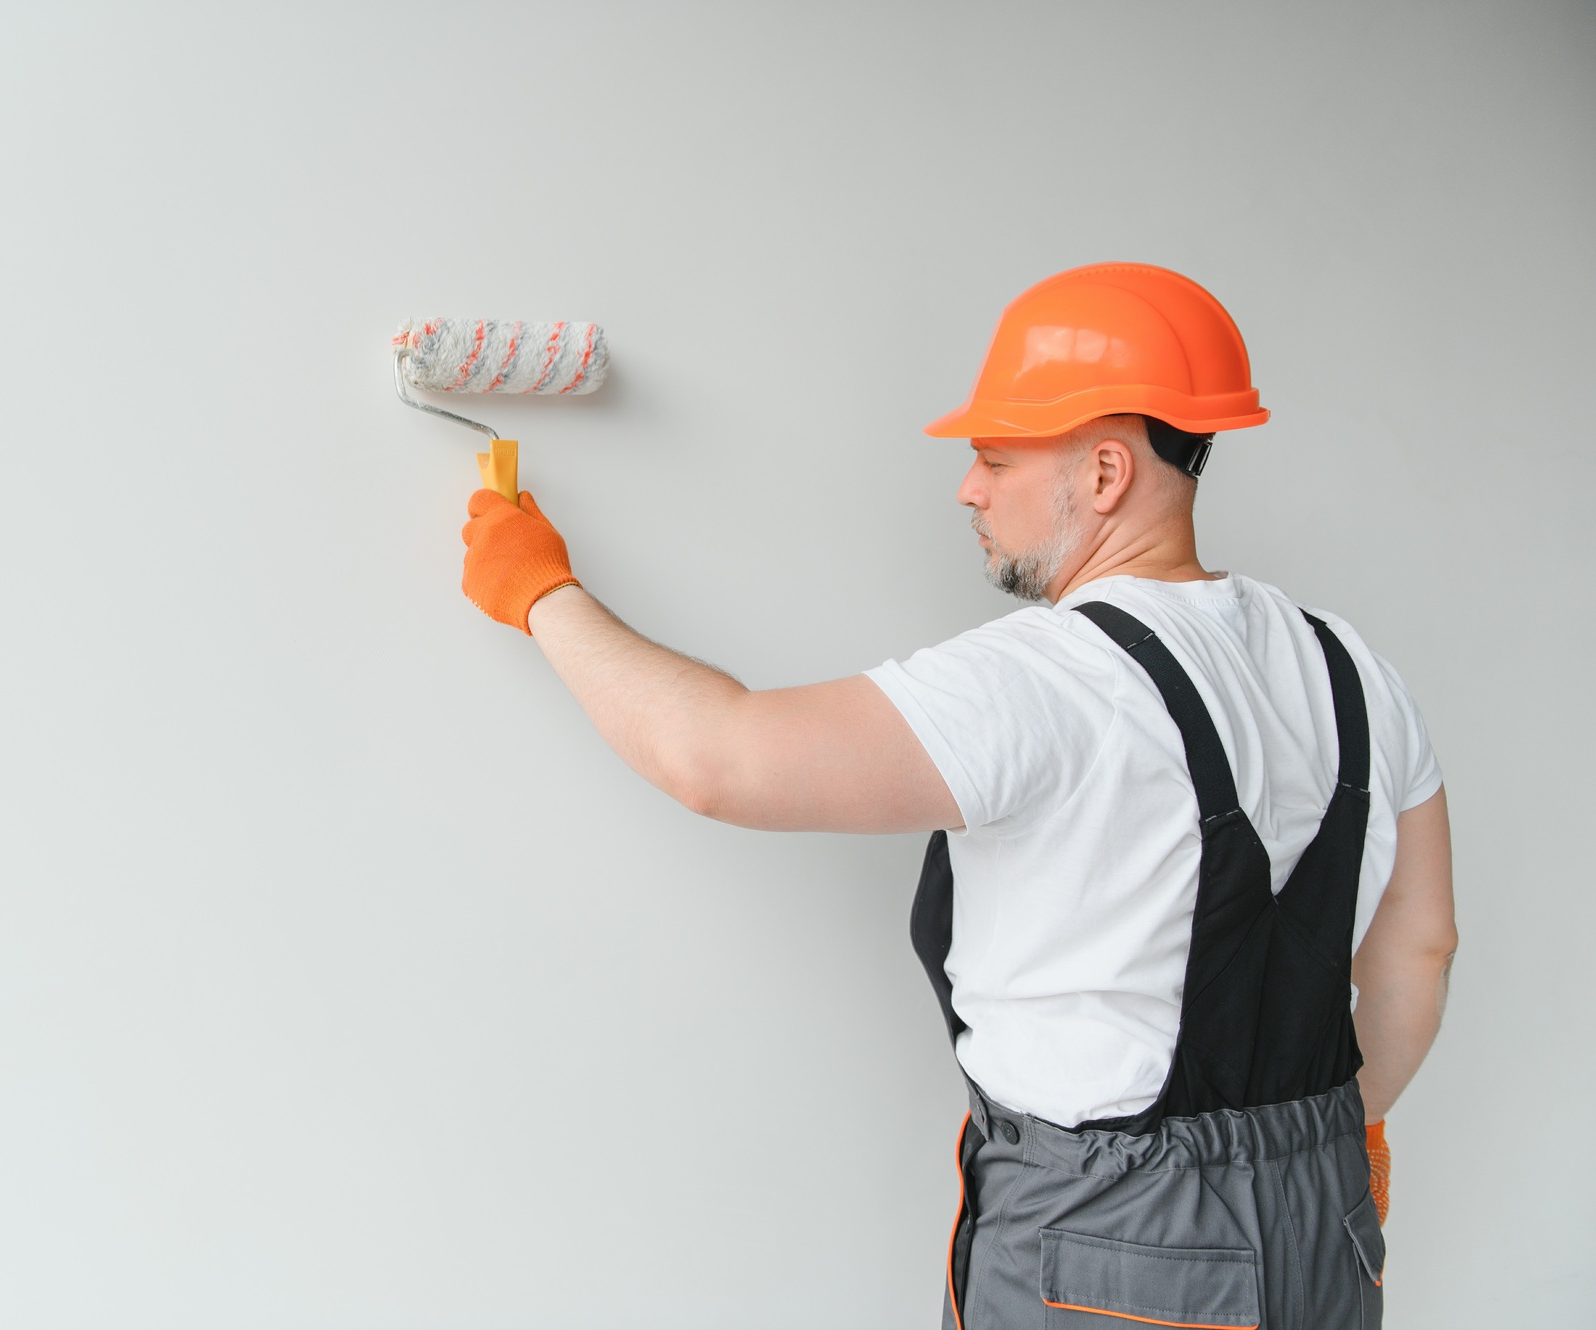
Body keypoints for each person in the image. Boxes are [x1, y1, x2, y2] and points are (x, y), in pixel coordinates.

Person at [455, 262, 1455, 1328]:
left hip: (1113, 1247)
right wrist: (1325, 1140)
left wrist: (539, 593)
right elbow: (1419, 948)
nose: (967, 490)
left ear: (1106, 470)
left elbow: (721, 757)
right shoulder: (1354, 669)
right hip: (1325, 1216)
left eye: (992, 457)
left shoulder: (1044, 679)